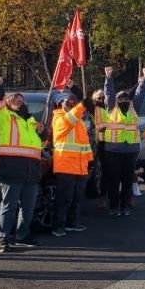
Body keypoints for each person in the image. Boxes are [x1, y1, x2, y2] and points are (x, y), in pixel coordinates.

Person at [0, 77, 44, 253]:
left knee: (28, 207)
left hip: (31, 170)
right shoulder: (5, 119)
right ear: (8, 104)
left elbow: (39, 145)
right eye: (15, 100)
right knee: (9, 206)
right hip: (11, 169)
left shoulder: (31, 122)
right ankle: (4, 238)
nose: (19, 101)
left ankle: (22, 234)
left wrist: (44, 132)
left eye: (21, 99)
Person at [102, 66, 145, 216]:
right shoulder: (111, 107)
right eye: (120, 98)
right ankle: (114, 207)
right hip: (113, 151)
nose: (123, 100)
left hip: (130, 151)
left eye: (125, 98)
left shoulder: (133, 107)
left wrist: (144, 79)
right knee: (114, 180)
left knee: (127, 180)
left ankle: (125, 206)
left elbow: (140, 94)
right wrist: (109, 78)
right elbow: (109, 93)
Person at [50, 84, 94, 237]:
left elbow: (84, 144)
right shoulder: (59, 119)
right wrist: (77, 93)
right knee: (64, 198)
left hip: (80, 166)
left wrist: (89, 161)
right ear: (60, 104)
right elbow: (78, 111)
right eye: (66, 101)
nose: (70, 103)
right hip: (66, 165)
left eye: (72, 101)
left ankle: (72, 223)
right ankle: (58, 226)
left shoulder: (79, 122)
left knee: (76, 198)